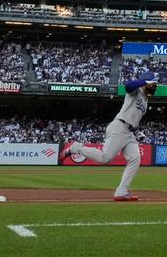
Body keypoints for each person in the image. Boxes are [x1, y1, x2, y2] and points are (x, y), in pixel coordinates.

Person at [61, 70, 157, 201]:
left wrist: (137, 132)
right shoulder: (136, 91)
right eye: (152, 84)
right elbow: (128, 86)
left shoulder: (146, 101)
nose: (154, 87)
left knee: (135, 159)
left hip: (129, 132)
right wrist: (145, 81)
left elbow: (134, 119)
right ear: (145, 83)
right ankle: (75, 148)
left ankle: (121, 192)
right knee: (105, 158)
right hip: (119, 127)